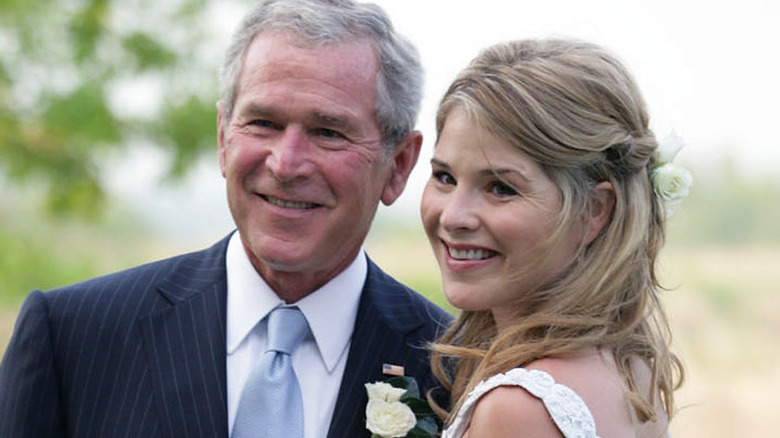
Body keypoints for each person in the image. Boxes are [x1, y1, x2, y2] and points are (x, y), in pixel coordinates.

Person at [0, 0, 452, 437]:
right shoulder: (72, 336)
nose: (286, 164)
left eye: (328, 132)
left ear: (398, 165)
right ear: (223, 137)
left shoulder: (454, 370)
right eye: (263, 123)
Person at [420, 38, 687, 437]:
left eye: (500, 188)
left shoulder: (519, 408)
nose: (454, 216)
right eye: (445, 177)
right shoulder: (631, 370)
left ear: (595, 210)